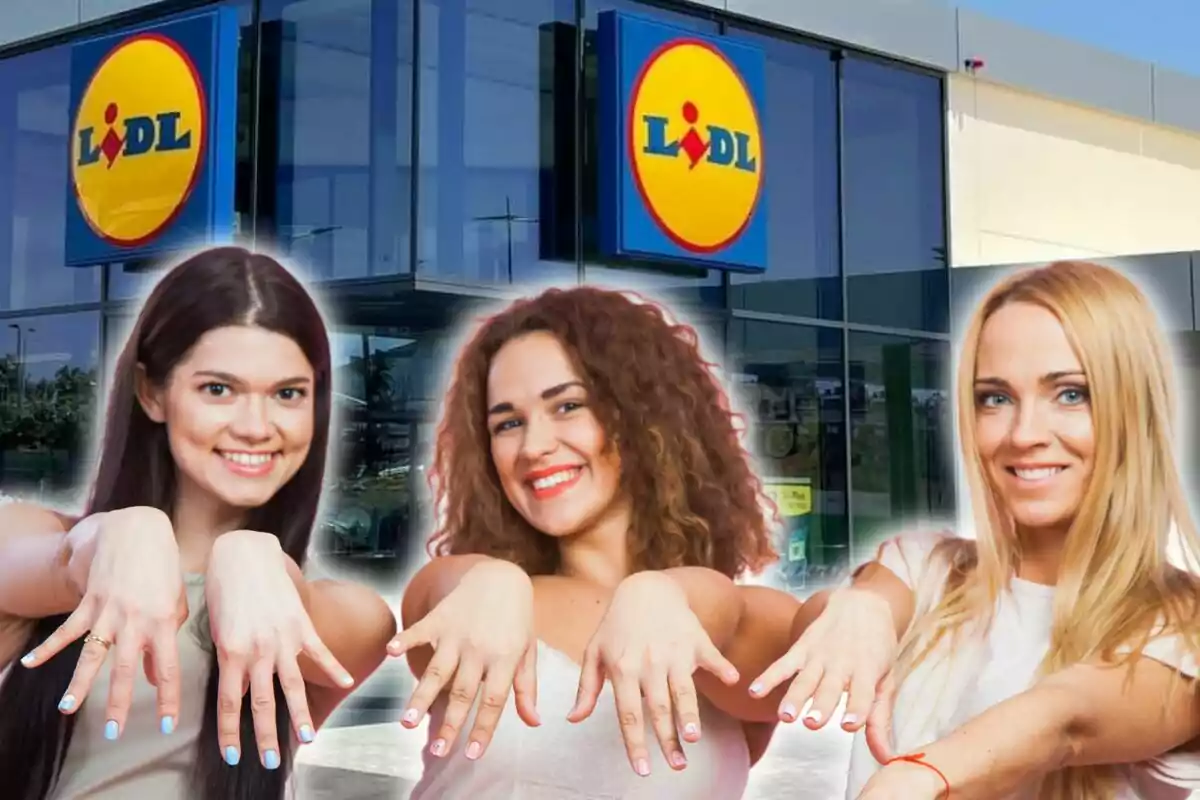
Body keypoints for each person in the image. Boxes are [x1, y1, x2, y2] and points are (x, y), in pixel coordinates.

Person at [752, 260, 1200, 798]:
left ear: (1134, 409)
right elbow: (841, 614)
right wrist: (858, 605)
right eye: (996, 398)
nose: (1024, 433)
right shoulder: (924, 567)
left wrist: (923, 774)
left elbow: (1066, 720)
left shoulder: (1183, 624)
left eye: (1071, 393)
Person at [0, 246, 397, 800]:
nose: (256, 427)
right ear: (152, 391)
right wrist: (119, 533)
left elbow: (326, 619)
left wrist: (257, 557)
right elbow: (47, 563)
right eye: (218, 389)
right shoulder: (28, 537)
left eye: (288, 393)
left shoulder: (345, 620)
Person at [388, 285, 816, 798]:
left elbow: (751, 622)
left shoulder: (737, 620)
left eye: (567, 406)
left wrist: (660, 591)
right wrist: (491, 580)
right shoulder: (470, 600)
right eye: (508, 423)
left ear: (644, 415)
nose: (534, 446)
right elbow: (439, 594)